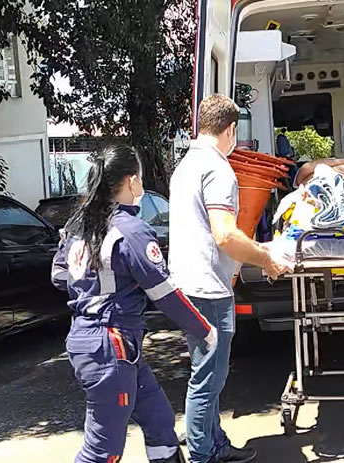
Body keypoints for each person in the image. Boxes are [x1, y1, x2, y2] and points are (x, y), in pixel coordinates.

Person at [51, 145, 216, 463]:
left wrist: (92, 286)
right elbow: (165, 294)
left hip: (109, 344)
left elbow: (59, 274)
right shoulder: (132, 230)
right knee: (103, 452)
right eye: (139, 178)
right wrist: (205, 331)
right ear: (131, 181)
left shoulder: (80, 226)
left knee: (159, 422)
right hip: (110, 345)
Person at [169, 94, 288, 463]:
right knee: (208, 380)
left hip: (188, 284)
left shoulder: (186, 165)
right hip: (208, 288)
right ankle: (204, 455)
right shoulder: (218, 169)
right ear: (231, 129)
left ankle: (215, 444)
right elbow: (225, 235)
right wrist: (266, 259)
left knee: (207, 376)